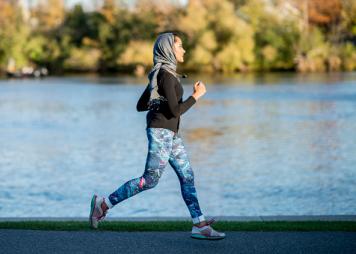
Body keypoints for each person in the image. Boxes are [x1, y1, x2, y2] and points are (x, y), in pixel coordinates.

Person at [89, 32, 225, 240]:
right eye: (180, 46)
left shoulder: (160, 74)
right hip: (161, 132)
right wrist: (196, 96)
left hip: (170, 134)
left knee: (187, 175)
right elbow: (175, 111)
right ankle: (103, 204)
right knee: (150, 180)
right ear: (169, 49)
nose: (184, 50)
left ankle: (199, 224)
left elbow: (141, 105)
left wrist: (158, 100)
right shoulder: (165, 76)